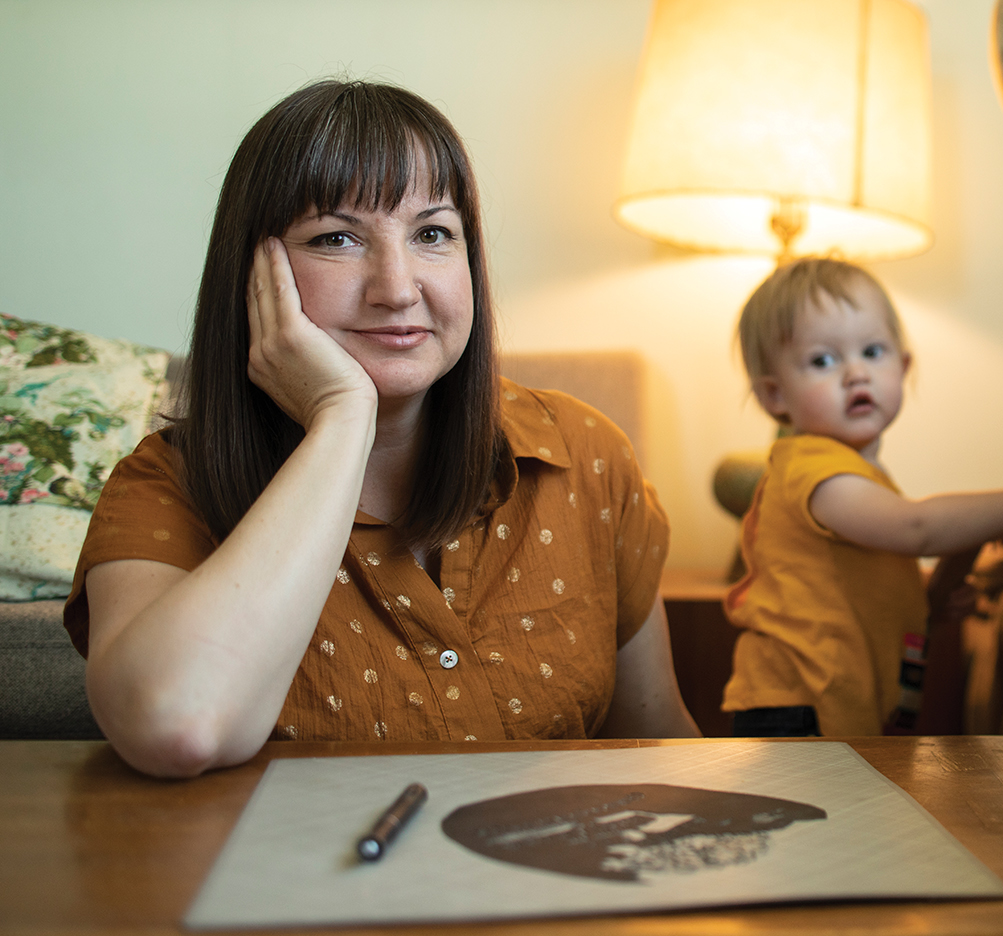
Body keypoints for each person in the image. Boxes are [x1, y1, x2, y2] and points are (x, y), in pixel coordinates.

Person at [63, 80, 699, 778]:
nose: (397, 288)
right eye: (336, 238)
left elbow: (658, 745)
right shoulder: (164, 488)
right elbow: (177, 725)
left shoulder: (583, 454)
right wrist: (341, 418)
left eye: (432, 234)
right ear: (251, 273)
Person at [723, 258, 1003, 737]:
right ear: (775, 396)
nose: (855, 373)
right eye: (823, 361)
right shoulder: (813, 470)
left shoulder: (861, 476)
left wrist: (927, 600)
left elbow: (851, 584)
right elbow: (919, 528)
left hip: (838, 706)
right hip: (795, 709)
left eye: (872, 351)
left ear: (904, 365)